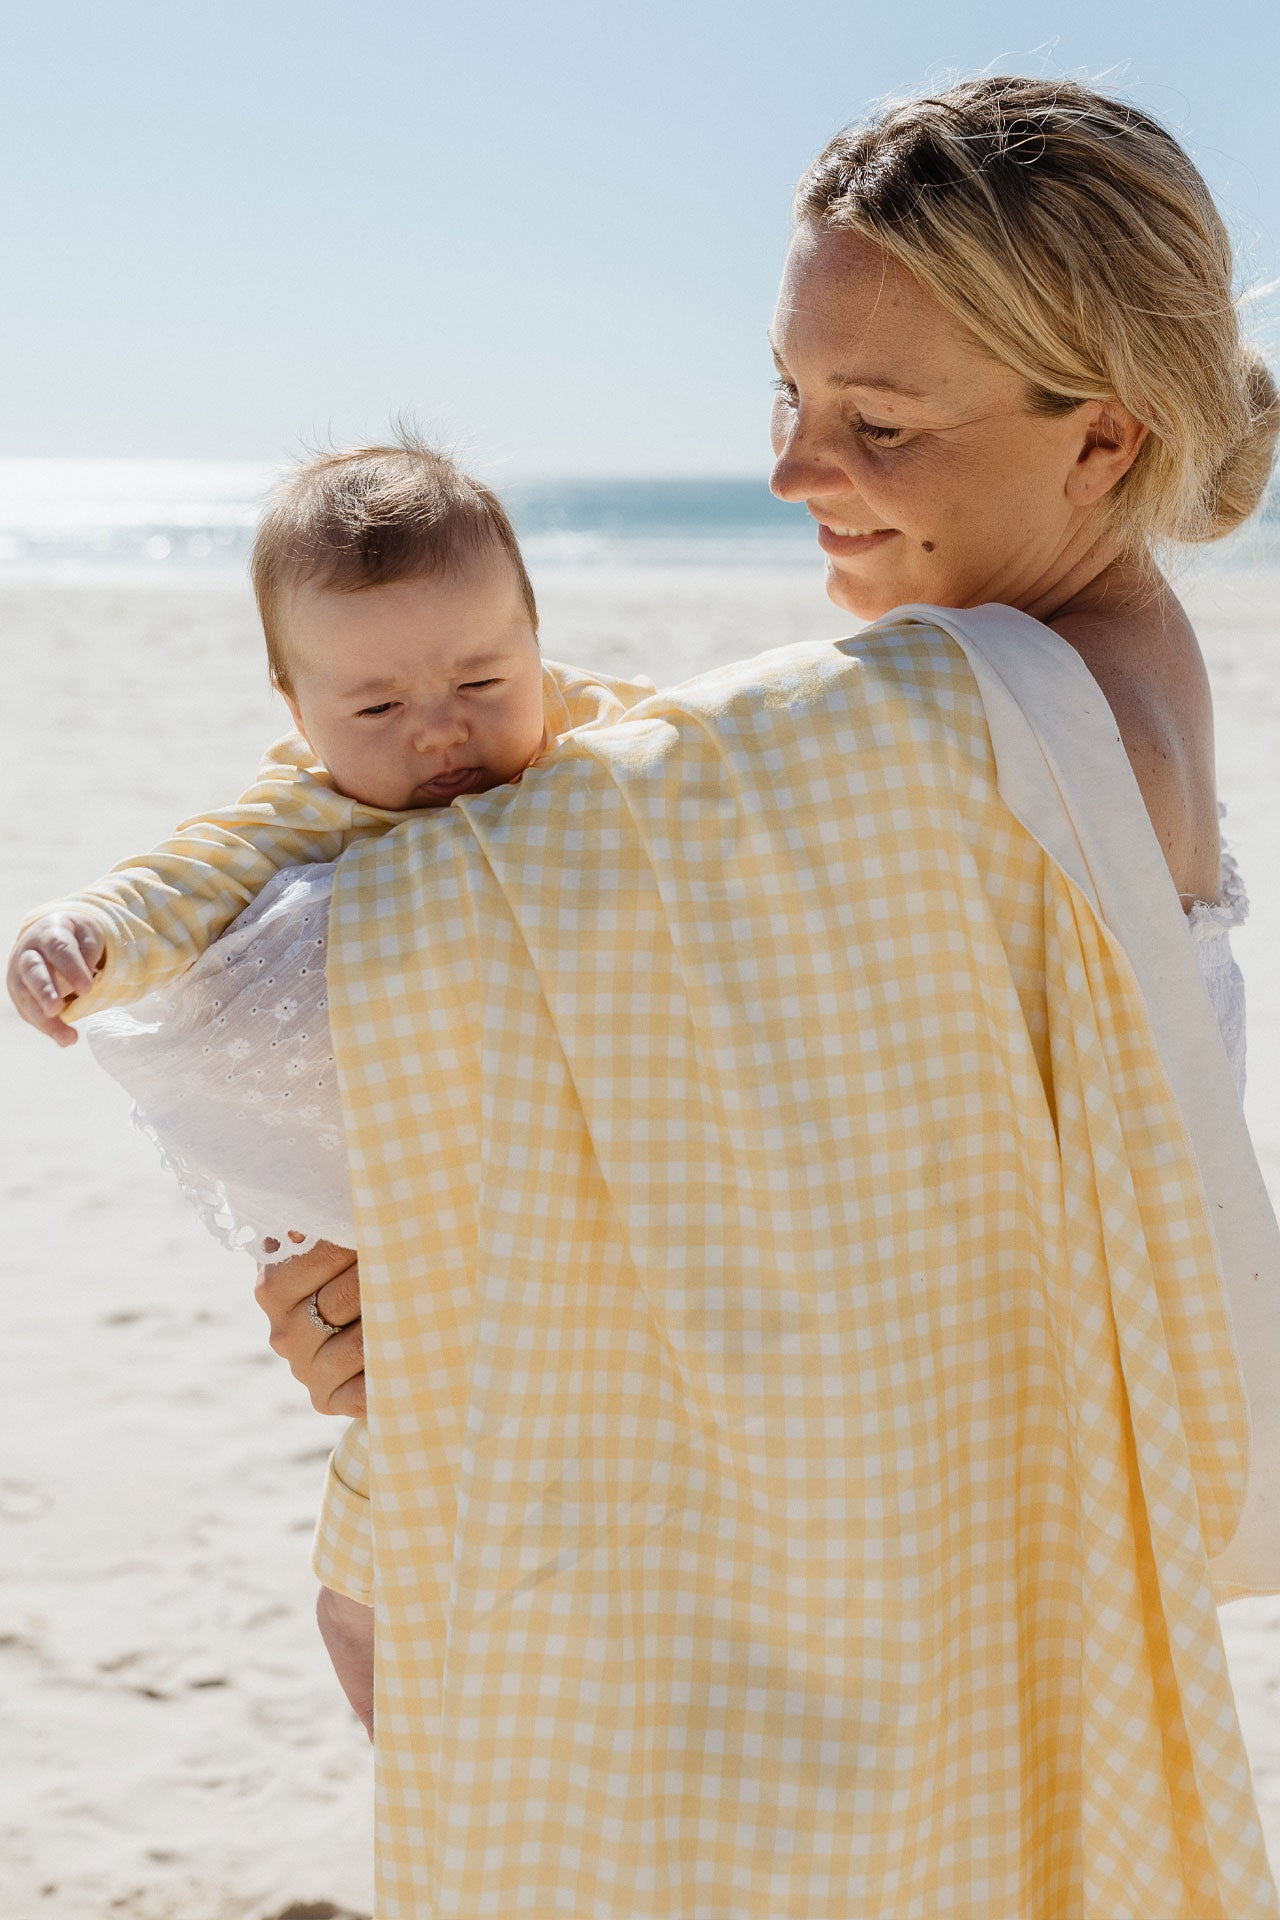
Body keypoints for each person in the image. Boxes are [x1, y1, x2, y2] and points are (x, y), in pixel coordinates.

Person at [8, 72, 1280, 1916]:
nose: (790, 468)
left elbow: (254, 1027)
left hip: (851, 1629)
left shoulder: (933, 735)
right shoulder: (1130, 678)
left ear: (1105, 439)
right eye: (788, 389)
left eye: (880, 418)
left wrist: (407, 1242)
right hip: (986, 1571)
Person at [6, 435, 655, 1733]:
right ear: (296, 712)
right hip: (414, 1247)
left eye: (484, 676)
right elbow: (190, 875)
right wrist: (86, 934)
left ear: (538, 640)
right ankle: (388, 1666)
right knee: (391, 1489)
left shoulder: (607, 736)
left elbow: (732, 774)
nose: (440, 729)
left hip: (603, 1213)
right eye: (374, 708)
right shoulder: (314, 806)